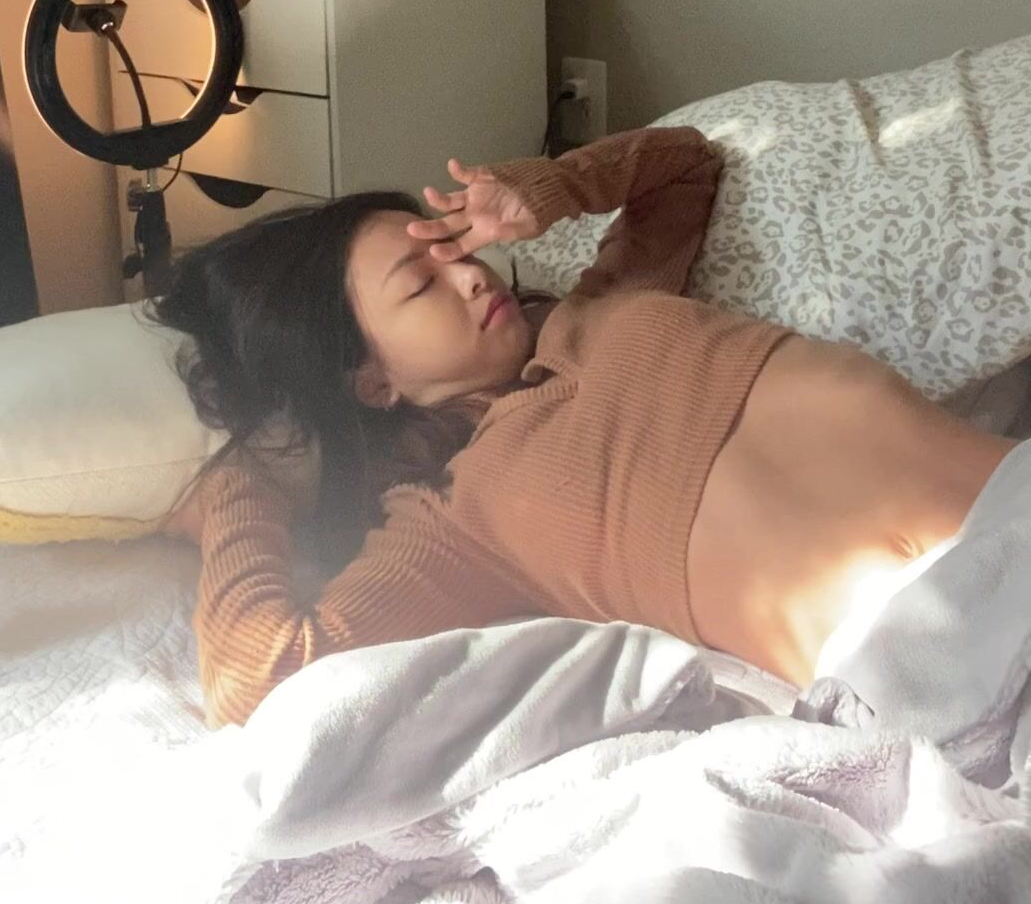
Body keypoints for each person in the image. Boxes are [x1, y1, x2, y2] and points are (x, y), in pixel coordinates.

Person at [151, 128, 1016, 727]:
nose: (471, 276)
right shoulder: (454, 517)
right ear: (372, 383)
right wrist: (238, 490)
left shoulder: (601, 305)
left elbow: (684, 168)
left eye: (456, 250)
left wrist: (551, 189)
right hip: (950, 652)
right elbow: (265, 681)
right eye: (421, 284)